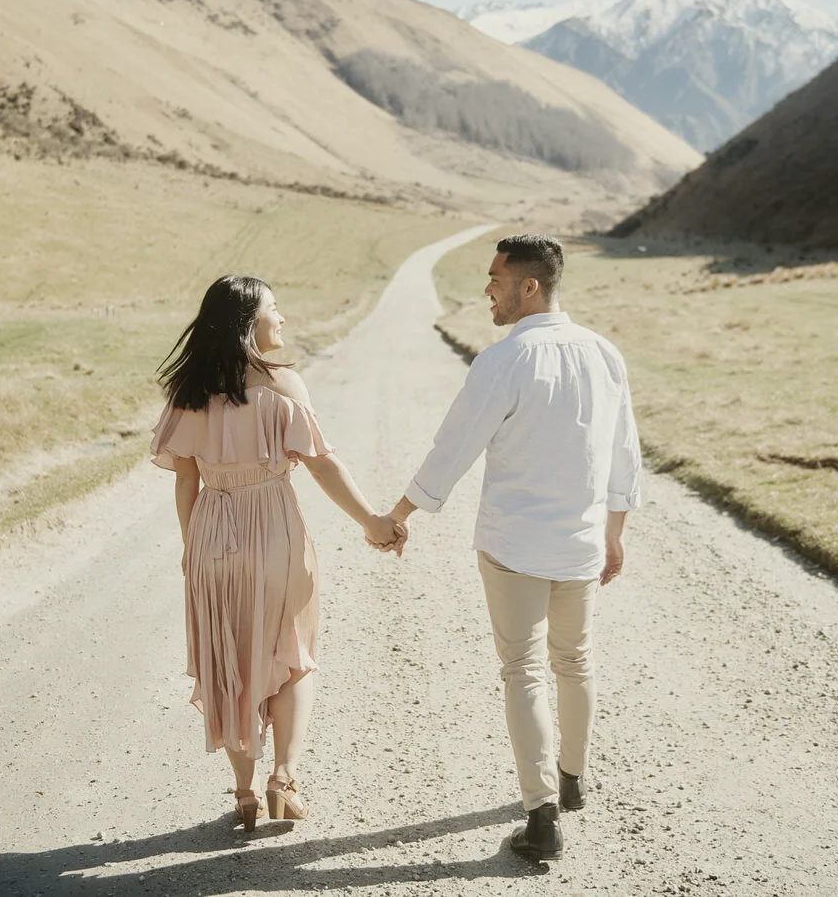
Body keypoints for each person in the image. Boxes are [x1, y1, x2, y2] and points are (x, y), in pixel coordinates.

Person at [387, 233, 641, 861]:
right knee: (574, 661)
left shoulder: (503, 362)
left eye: (496, 278)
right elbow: (624, 453)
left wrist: (396, 516)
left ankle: (542, 818)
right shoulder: (605, 354)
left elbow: (452, 449)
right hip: (580, 543)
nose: (487, 290)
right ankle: (573, 782)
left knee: (523, 670)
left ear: (531, 285)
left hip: (514, 545)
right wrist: (615, 533)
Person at [150, 275, 404, 831]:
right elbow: (322, 464)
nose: (281, 318)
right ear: (248, 323)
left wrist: (194, 550)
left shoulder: (189, 392)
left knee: (230, 661)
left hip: (213, 534)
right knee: (292, 655)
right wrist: (374, 522)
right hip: (275, 531)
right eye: (273, 308)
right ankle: (283, 780)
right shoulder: (283, 385)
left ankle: (244, 793)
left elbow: (185, 484)